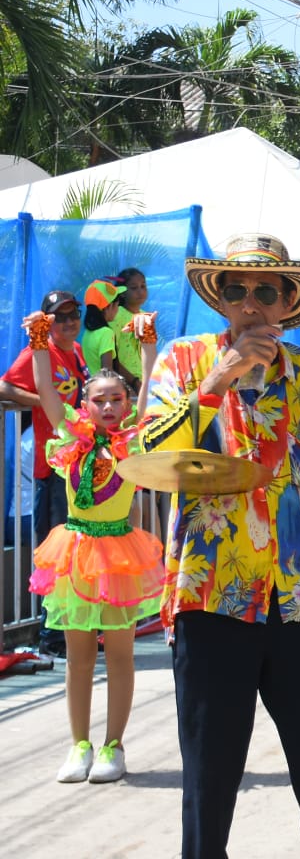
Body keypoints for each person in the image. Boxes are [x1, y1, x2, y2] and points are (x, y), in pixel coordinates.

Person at [141, 232, 300, 859]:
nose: (250, 302)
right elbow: (149, 453)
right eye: (235, 289)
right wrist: (217, 379)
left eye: (265, 290)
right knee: (209, 785)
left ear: (288, 302)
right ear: (221, 299)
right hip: (213, 596)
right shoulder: (185, 360)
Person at [24, 309, 161, 783]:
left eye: (115, 400)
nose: (107, 407)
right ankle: (79, 744)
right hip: (76, 553)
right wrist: (40, 343)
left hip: (120, 556)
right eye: (98, 400)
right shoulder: (71, 438)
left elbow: (148, 400)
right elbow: (45, 393)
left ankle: (114, 746)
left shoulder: (131, 441)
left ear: (125, 405)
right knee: (78, 655)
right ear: (85, 405)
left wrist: (147, 348)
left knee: (120, 654)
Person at [0, 289, 90, 657]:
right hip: (50, 467)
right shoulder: (39, 353)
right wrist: (46, 401)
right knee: (56, 552)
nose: (69, 323)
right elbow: (4, 386)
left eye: (73, 315)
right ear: (48, 324)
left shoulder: (78, 351)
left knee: (79, 551)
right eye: (60, 318)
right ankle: (51, 638)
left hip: (80, 463)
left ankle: (76, 631)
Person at [109, 268, 149, 394]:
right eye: (134, 288)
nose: (140, 291)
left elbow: (148, 351)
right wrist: (134, 382)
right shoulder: (116, 316)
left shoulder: (146, 316)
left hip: (143, 382)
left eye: (143, 286)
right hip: (124, 383)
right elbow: (111, 357)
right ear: (122, 293)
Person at [80, 278, 125, 378]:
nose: (118, 309)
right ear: (108, 307)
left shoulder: (87, 334)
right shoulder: (106, 333)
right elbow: (107, 372)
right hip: (106, 389)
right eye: (117, 305)